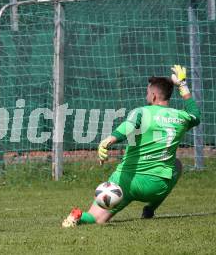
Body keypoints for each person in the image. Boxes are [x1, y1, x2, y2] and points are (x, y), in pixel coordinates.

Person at [62, 65, 201, 227]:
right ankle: (150, 208)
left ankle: (78, 217)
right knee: (176, 164)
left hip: (128, 181)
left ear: (154, 96)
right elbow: (195, 115)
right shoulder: (181, 117)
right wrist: (182, 85)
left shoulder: (142, 111)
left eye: (148, 92)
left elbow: (128, 127)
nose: (146, 95)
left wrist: (109, 140)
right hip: (157, 185)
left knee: (97, 218)